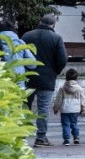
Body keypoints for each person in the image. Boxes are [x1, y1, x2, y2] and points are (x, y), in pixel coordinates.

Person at [21, 13, 68, 147]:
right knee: (43, 108)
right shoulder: (56, 38)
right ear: (53, 25)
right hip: (47, 79)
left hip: (27, 77)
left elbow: (20, 54)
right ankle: (41, 138)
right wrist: (55, 71)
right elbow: (62, 59)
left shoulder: (27, 36)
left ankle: (21, 136)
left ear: (40, 21)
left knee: (25, 107)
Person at [52, 67, 84, 145]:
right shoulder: (79, 88)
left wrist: (56, 108)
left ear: (66, 78)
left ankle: (66, 139)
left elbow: (58, 100)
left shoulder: (62, 88)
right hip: (75, 109)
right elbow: (82, 99)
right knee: (74, 123)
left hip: (64, 110)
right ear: (76, 78)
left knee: (65, 124)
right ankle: (76, 137)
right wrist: (82, 108)